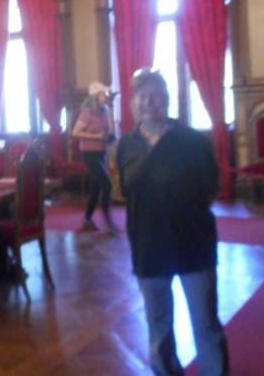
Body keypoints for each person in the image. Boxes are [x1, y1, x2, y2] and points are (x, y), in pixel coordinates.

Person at [115, 69, 229, 376]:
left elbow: (210, 188)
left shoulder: (193, 141)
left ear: (166, 99)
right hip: (148, 245)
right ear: (133, 103)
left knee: (205, 324)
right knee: (159, 326)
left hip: (193, 243)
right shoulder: (126, 146)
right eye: (142, 96)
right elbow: (127, 191)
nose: (149, 102)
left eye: (155, 95)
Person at [72, 81, 119, 233]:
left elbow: (107, 132)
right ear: (95, 97)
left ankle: (87, 219)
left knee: (96, 187)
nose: (105, 97)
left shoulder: (105, 111)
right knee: (107, 184)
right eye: (102, 95)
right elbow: (75, 132)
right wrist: (96, 136)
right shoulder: (87, 112)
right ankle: (108, 221)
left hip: (101, 152)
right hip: (88, 153)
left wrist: (109, 136)